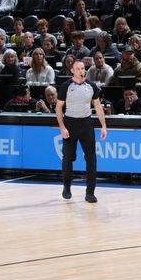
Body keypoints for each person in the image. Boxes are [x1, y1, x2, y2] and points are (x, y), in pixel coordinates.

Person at [55, 59, 108, 203]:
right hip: (70, 123)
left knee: (91, 159)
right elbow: (58, 107)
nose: (81, 71)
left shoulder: (91, 86)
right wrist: (62, 127)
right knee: (68, 158)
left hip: (86, 123)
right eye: (77, 69)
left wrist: (103, 125)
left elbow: (97, 106)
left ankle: (90, 192)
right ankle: (66, 187)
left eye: (83, 68)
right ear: (72, 70)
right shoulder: (66, 86)